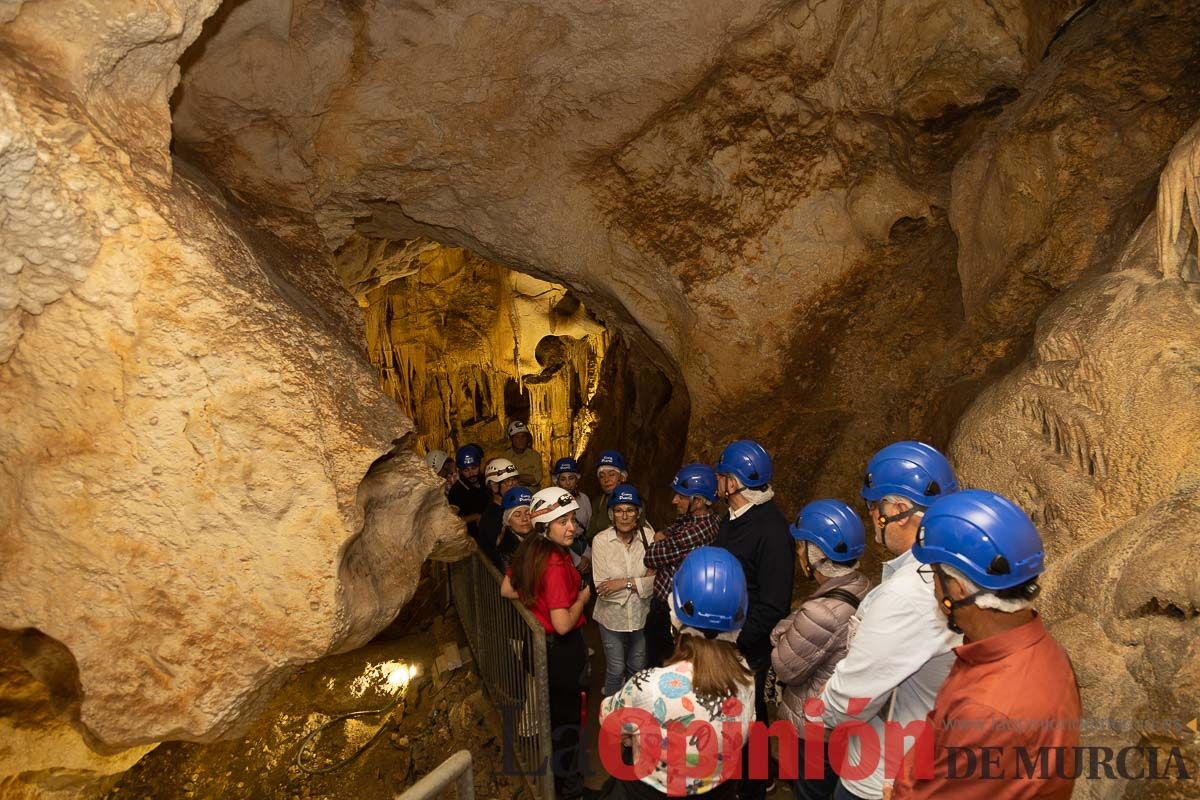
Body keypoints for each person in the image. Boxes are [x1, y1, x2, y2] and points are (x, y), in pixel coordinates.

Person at [892, 489, 1081, 800]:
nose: (934, 589)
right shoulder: (1038, 651)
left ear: (956, 587)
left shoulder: (987, 711)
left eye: (934, 576)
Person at [813, 441, 961, 800]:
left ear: (898, 509)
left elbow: (847, 705)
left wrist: (825, 706)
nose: (870, 516)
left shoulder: (905, 594)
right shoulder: (952, 566)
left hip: (879, 776)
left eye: (872, 506)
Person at [599, 546, 756, 799]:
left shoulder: (649, 685)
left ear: (675, 615)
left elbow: (609, 720)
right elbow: (743, 733)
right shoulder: (746, 678)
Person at [770, 500, 871, 800]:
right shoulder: (863, 586)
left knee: (810, 792)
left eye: (802, 547)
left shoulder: (821, 611)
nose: (798, 553)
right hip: (843, 725)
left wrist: (782, 632)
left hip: (815, 729)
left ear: (817, 555)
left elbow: (784, 665)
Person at [712, 439, 794, 800]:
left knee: (752, 720)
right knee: (735, 719)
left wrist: (738, 640)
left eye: (722, 475)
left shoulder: (771, 529)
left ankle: (755, 787)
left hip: (748, 648)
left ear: (734, 484)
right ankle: (745, 778)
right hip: (728, 641)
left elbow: (774, 603)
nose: (717, 480)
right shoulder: (732, 519)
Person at [501, 487, 591, 800]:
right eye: (562, 521)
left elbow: (506, 589)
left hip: (540, 649)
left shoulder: (531, 549)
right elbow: (563, 623)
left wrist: (536, 597)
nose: (571, 527)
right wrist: (581, 599)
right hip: (562, 653)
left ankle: (557, 782)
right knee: (568, 724)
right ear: (545, 526)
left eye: (571, 519)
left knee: (553, 717)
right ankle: (571, 791)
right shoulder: (553, 563)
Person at [643, 463, 720, 667]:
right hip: (667, 608)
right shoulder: (689, 522)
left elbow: (650, 558)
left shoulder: (698, 530)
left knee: (660, 664)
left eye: (682, 496)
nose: (674, 500)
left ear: (700, 501)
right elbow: (668, 532)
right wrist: (663, 537)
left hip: (672, 613)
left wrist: (659, 541)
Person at [591, 484, 656, 697]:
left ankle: (631, 709)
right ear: (611, 515)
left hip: (640, 615)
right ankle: (610, 713)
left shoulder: (648, 536)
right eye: (619, 510)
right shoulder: (601, 541)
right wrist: (639, 583)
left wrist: (623, 583)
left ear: (638, 513)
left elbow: (655, 581)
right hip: (611, 616)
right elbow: (602, 587)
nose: (625, 516)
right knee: (616, 668)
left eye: (630, 510)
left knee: (637, 667)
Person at [479, 458, 521, 565]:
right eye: (507, 482)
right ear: (494, 486)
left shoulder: (512, 508)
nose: (513, 486)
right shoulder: (491, 516)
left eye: (514, 480)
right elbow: (501, 546)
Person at [447, 444, 490, 541]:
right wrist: (475, 516)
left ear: (480, 465)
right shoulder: (456, 491)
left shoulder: (486, 481)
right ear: (460, 471)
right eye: (466, 470)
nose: (471, 474)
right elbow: (451, 521)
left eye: (474, 468)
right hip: (473, 538)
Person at [586, 450, 629, 541]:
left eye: (611, 475)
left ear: (622, 477)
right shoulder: (598, 502)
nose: (606, 480)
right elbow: (590, 534)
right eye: (602, 476)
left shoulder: (633, 500)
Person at [493, 486, 533, 572]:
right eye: (517, 515)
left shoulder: (538, 537)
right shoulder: (505, 551)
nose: (525, 519)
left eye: (528, 513)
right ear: (508, 521)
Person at [553, 457, 593, 532]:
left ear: (577, 479)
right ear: (557, 481)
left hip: (581, 541)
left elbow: (590, 525)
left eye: (571, 478)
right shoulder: (551, 501)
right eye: (563, 479)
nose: (568, 483)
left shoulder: (584, 498)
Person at [504, 420, 544, 487]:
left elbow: (536, 479)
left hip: (532, 494)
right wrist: (526, 479)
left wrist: (514, 477)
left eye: (523, 436)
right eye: (517, 437)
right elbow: (504, 479)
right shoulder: (505, 457)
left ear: (527, 438)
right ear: (511, 439)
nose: (521, 440)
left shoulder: (535, 456)